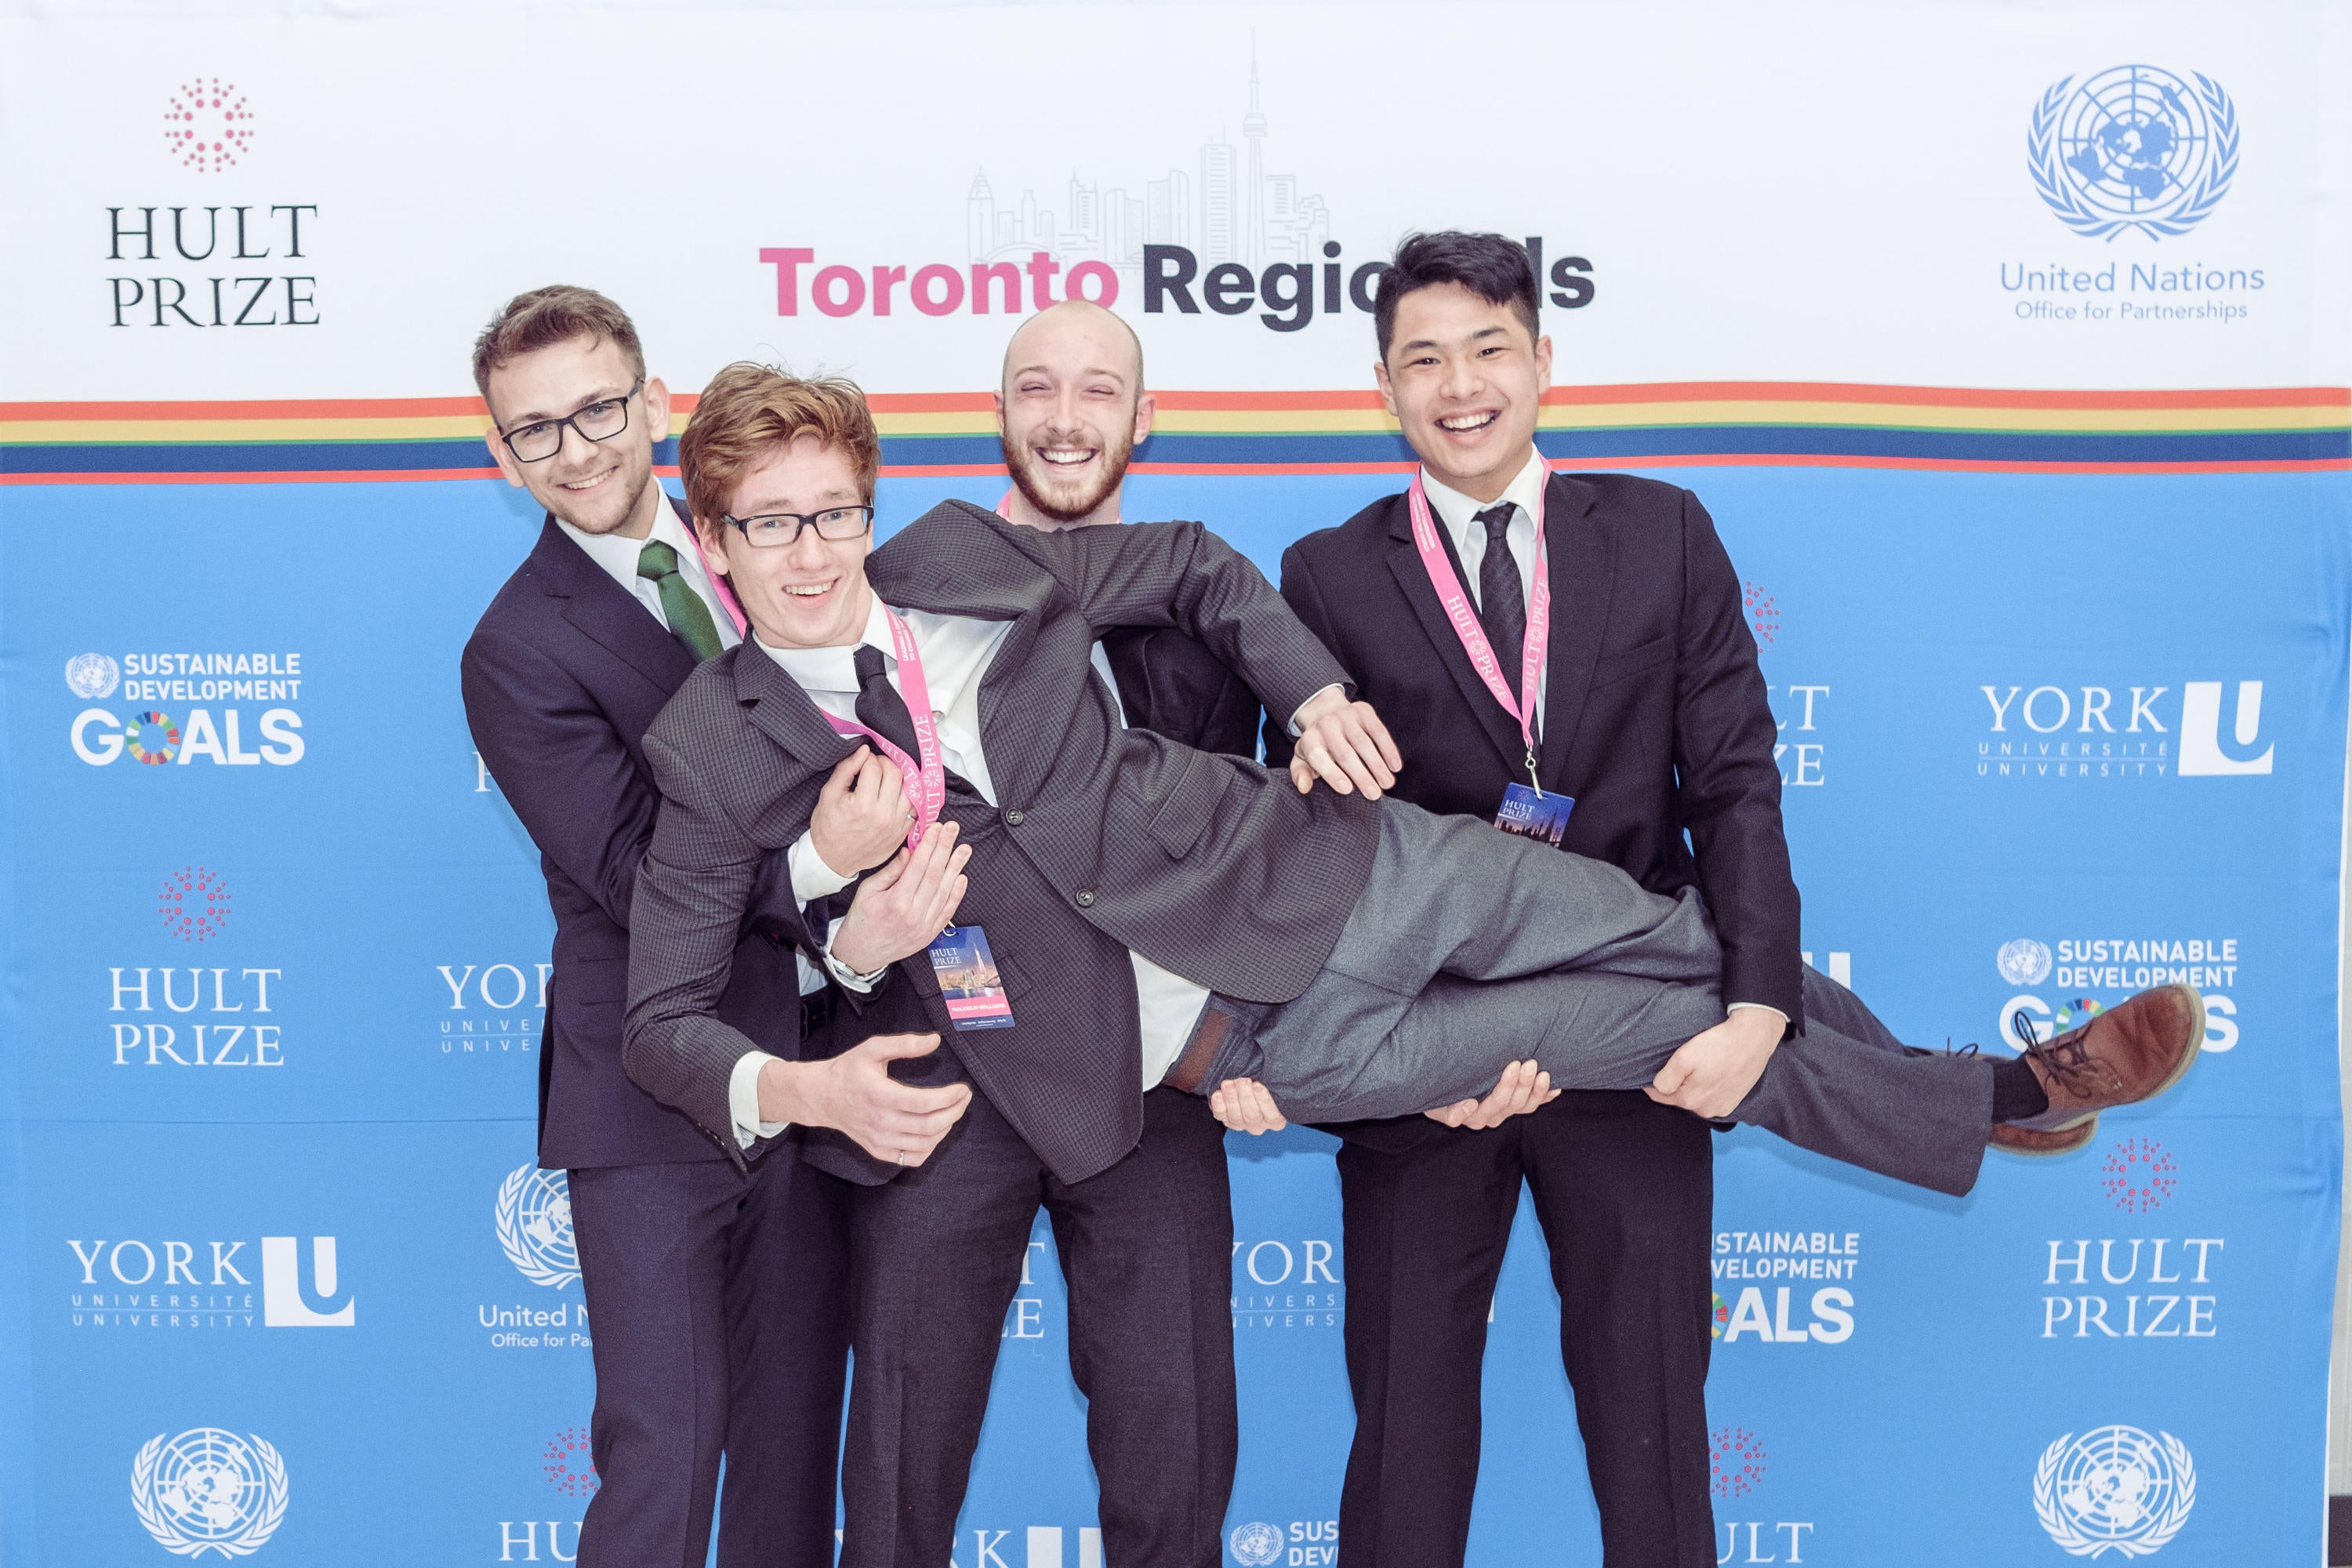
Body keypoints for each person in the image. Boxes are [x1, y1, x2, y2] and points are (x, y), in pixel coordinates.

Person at [617, 362, 2201, 1560]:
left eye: (832, 511)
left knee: (1700, 950)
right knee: (1642, 1028)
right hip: (1254, 1055)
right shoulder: (711, 750)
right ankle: (1995, 1092)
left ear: (873, 503)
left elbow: (1201, 577)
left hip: (1344, 877)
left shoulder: (968, 560)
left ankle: (1994, 1083)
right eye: (768, 524)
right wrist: (819, 992)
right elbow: (665, 1023)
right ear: (713, 536)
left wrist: (1306, 697)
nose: (810, 552)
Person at [459, 287, 949, 1568]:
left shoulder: (780, 543)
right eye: (537, 431)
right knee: (664, 1463)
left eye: (599, 408)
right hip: (655, 1101)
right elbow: (632, 873)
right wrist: (818, 862)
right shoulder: (515, 649)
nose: (578, 449)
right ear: (499, 456)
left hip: (828, 1074)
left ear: (653, 404)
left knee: (788, 1466)